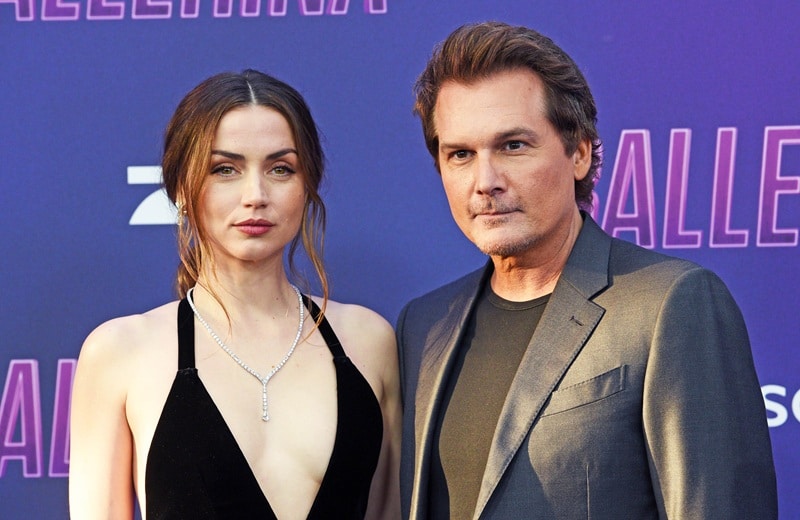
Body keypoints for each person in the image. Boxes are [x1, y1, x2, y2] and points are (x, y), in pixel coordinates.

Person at [396, 21, 777, 519]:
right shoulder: (424, 326)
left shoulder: (671, 304)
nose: (485, 181)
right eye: (461, 154)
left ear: (578, 153)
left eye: (513, 146)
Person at [69, 69, 401, 519]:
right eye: (225, 169)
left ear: (307, 186)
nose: (255, 195)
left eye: (281, 169)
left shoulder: (368, 342)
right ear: (181, 187)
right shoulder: (121, 352)